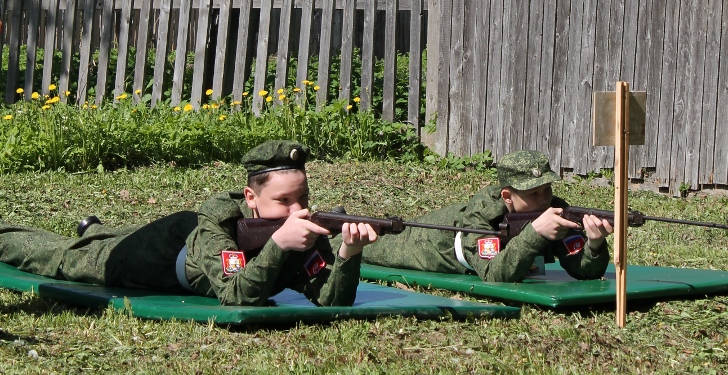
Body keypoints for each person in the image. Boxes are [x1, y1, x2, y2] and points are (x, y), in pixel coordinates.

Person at [0, 140, 378, 306]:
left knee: (102, 238)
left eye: (303, 198)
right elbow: (236, 296)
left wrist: (349, 251)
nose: (297, 210)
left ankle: (96, 228)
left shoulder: (306, 228)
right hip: (164, 251)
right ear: (251, 198)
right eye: (282, 201)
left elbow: (332, 301)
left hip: (189, 247)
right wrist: (279, 244)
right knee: (66, 259)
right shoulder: (222, 221)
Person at [355, 150, 613, 282]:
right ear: (507, 196)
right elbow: (493, 274)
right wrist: (535, 233)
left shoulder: (555, 209)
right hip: (430, 242)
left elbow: (585, 272)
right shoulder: (481, 216)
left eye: (547, 189)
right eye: (532, 194)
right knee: (367, 244)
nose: (544, 199)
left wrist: (595, 243)